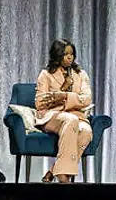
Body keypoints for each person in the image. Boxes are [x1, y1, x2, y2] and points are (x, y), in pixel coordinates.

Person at [34, 39, 94, 183]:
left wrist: (65, 96)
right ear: (57, 55)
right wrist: (62, 90)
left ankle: (54, 170)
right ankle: (63, 177)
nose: (69, 57)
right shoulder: (46, 75)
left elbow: (86, 99)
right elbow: (40, 103)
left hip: (76, 116)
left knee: (86, 131)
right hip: (51, 116)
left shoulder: (80, 74)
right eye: (65, 54)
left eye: (72, 54)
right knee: (70, 120)